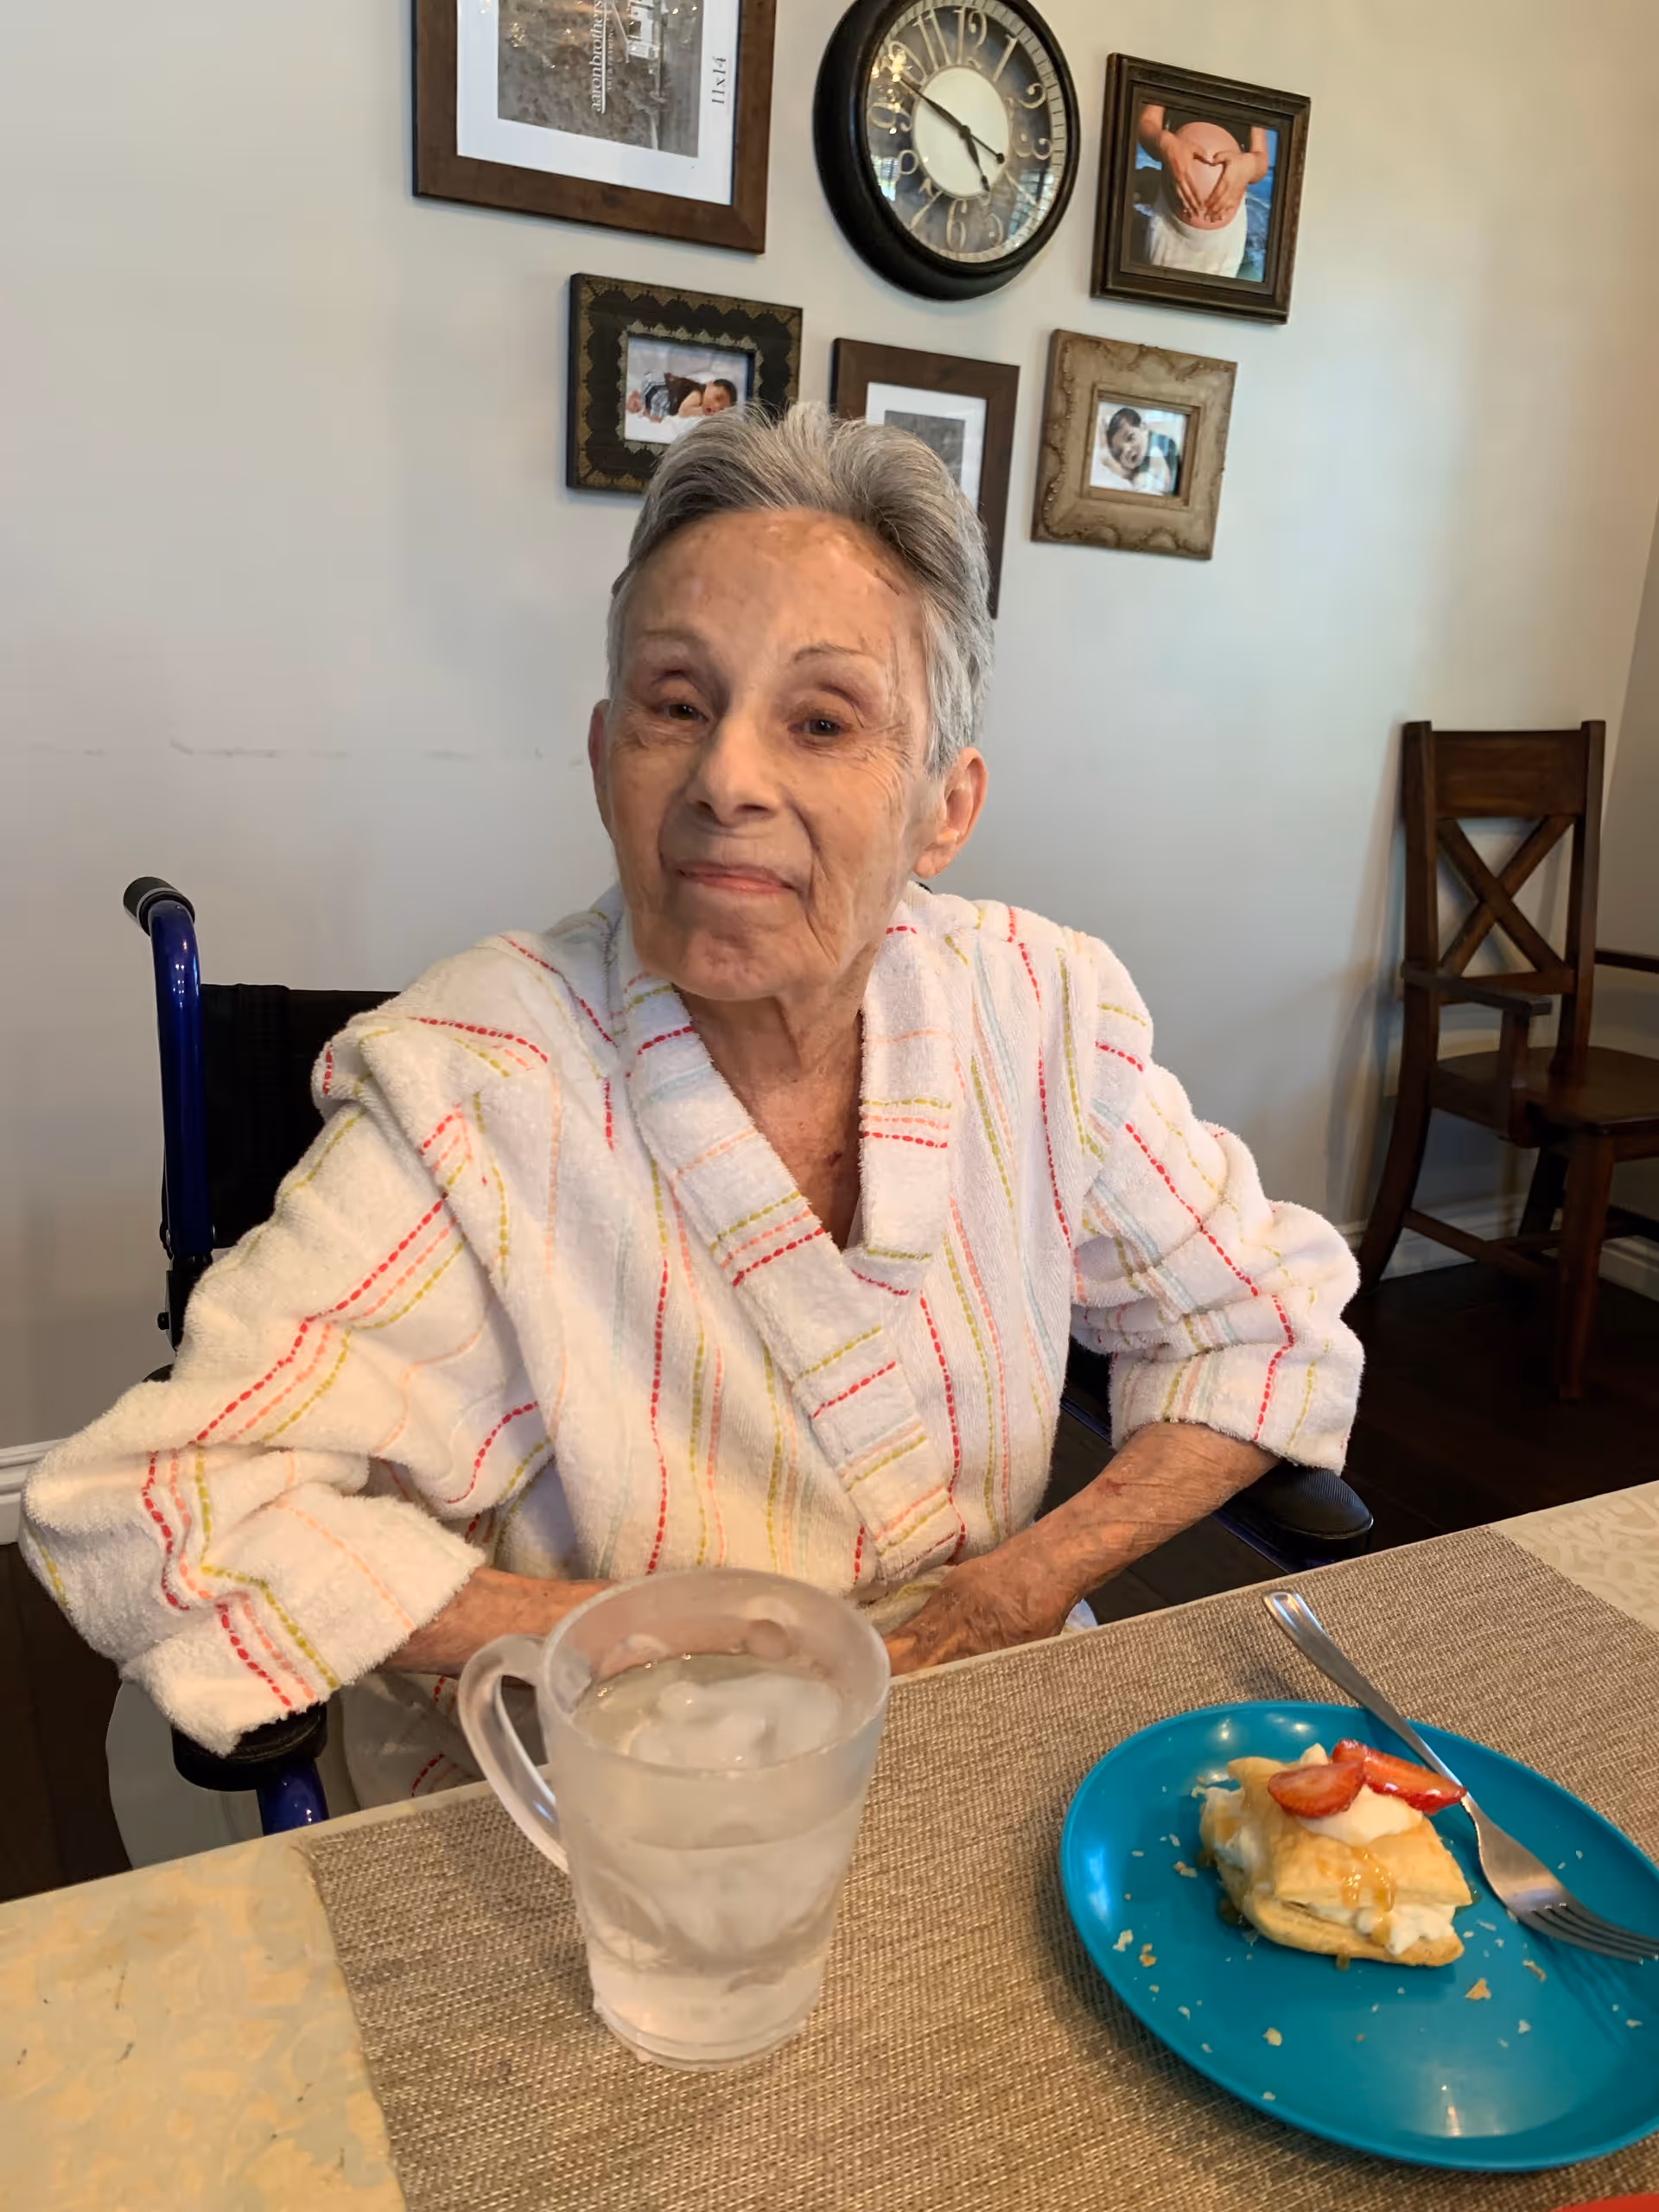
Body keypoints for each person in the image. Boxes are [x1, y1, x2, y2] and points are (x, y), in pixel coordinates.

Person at [23, 405, 1363, 1803]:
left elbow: (1256, 1322)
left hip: (980, 1705)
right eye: (678, 704)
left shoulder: (1042, 1011)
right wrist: (668, 1636)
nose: (728, 779)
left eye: (823, 719)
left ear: (942, 805)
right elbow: (154, 1509)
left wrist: (1018, 1589)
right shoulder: (477, 1085)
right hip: (591, 1778)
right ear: (609, 759)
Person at [1133, 105, 1269, 281]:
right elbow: (1147, 123)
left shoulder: (1256, 88)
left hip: (1224, 234)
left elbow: (1261, 160)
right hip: (1171, 224)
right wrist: (1164, 142)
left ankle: (1148, 180)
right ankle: (1148, 181)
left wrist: (1250, 164)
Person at [1096, 406, 1179, 497]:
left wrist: (1110, 463)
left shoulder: (1157, 444)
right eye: (1119, 452)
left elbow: (1147, 481)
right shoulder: (1140, 460)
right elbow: (1127, 475)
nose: (1126, 450)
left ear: (1143, 427)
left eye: (1130, 438)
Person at [627, 372, 740, 424]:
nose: (715, 406)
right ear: (709, 384)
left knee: (656, 413)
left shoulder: (700, 398)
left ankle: (639, 404)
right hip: (664, 393)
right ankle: (636, 399)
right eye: (718, 398)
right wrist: (702, 411)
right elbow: (683, 412)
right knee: (649, 402)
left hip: (670, 401)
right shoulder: (699, 394)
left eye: (720, 410)